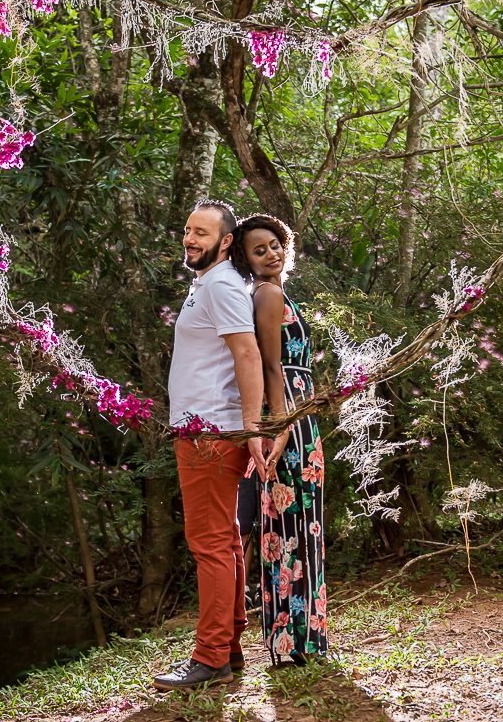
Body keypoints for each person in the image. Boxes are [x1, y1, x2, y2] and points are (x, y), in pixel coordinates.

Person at [152, 200, 271, 691]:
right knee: (225, 540)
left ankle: (210, 658)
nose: (190, 238)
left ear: (225, 242)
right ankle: (229, 648)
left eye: (201, 232)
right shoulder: (210, 283)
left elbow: (248, 354)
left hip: (211, 435)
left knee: (210, 545)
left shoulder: (221, 285)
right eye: (187, 230)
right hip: (207, 431)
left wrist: (251, 427)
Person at [230, 213, 327, 666]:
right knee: (291, 525)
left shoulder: (275, 292)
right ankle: (294, 642)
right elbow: (271, 366)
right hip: (288, 413)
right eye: (259, 249)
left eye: (275, 244)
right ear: (246, 260)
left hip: (297, 410)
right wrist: (281, 425)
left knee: (296, 524)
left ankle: (297, 639)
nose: (271, 253)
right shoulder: (267, 294)